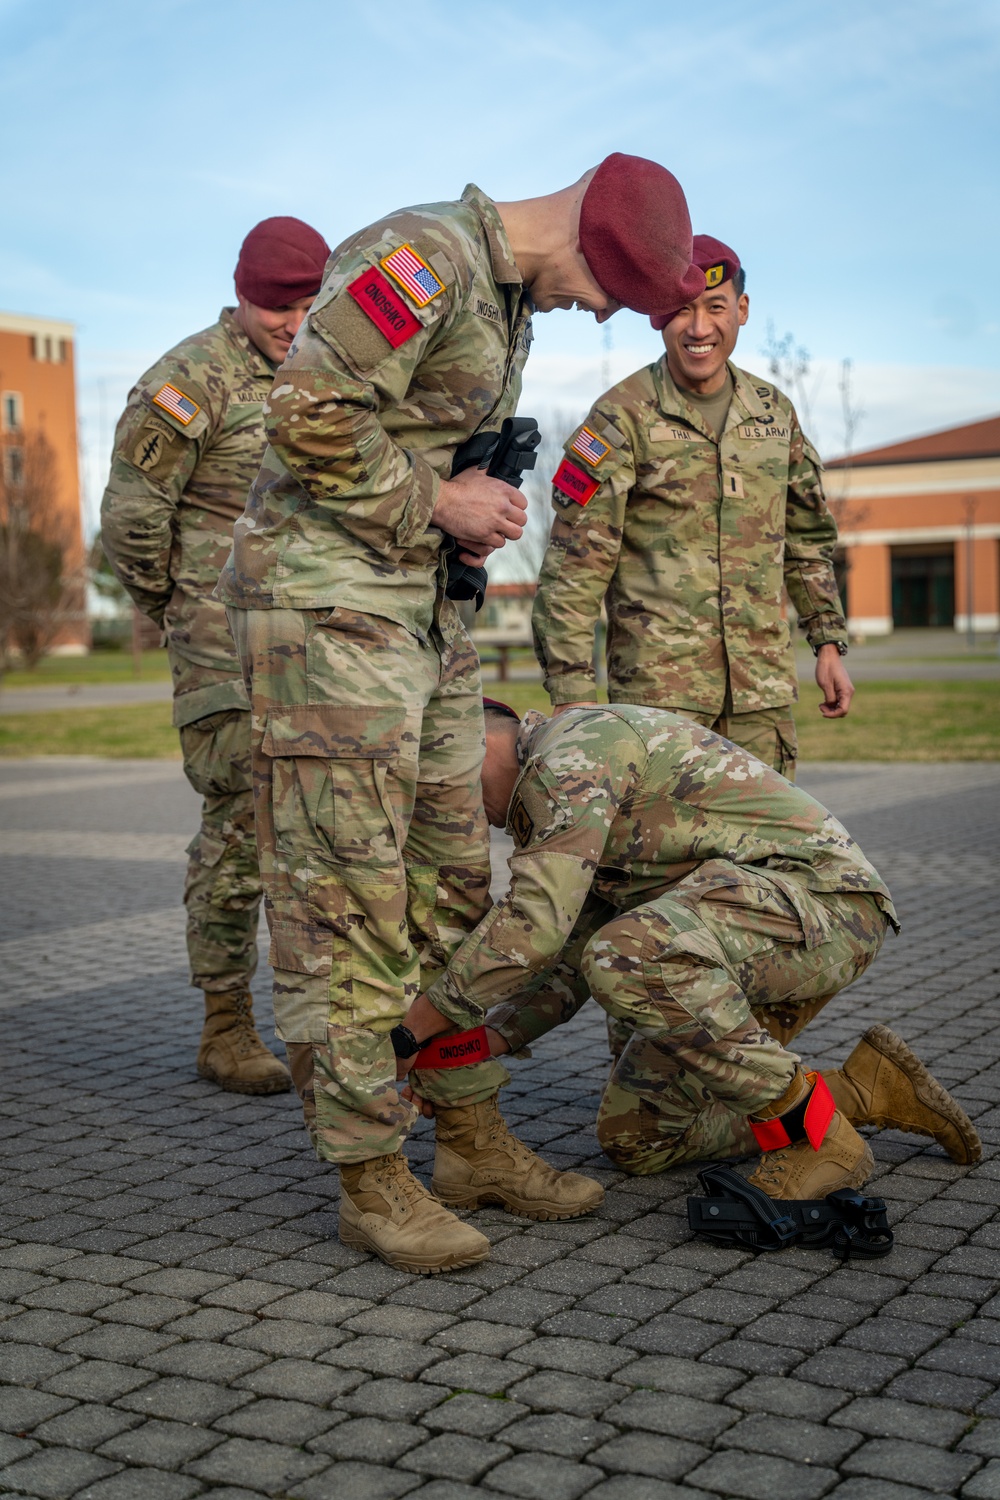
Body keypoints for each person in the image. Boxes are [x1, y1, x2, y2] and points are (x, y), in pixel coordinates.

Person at [216, 155, 705, 1273]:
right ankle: (370, 1179)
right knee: (345, 892)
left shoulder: (505, 294)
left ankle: (472, 1137)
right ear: (583, 242)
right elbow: (303, 414)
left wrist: (459, 514)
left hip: (418, 621)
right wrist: (435, 498)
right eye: (607, 296)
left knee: (448, 882)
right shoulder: (422, 257)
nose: (596, 314)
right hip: (326, 616)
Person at [396, 703, 979, 1199]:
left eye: (451, 799)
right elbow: (564, 961)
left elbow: (535, 924)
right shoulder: (565, 787)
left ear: (473, 750)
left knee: (628, 955)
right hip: (740, 936)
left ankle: (813, 1136)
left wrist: (412, 1031)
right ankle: (862, 1090)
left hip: (826, 909)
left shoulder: (570, 757)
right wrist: (482, 1041)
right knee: (638, 1139)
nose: (474, 823)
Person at [101, 217, 331, 1094]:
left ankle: (320, 1021)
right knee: (239, 828)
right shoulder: (187, 378)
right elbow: (129, 518)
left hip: (312, 646)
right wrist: (180, 607)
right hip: (221, 650)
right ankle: (226, 1023)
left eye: (308, 305)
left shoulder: (329, 374)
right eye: (276, 306)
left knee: (318, 829)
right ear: (242, 294)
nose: (292, 322)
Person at [532, 234, 853, 782]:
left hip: (761, 695)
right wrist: (571, 692)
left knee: (765, 852)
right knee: (663, 860)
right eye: (681, 310)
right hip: (660, 701)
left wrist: (827, 641)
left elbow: (805, 542)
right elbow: (575, 568)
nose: (700, 328)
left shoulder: (775, 414)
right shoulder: (621, 417)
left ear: (742, 310)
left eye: (715, 307)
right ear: (658, 317)